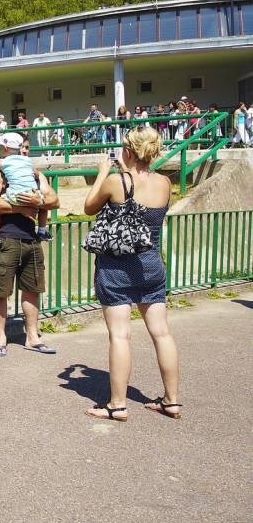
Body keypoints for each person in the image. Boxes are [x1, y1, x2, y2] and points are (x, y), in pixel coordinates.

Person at [83, 127, 180, 422]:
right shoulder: (165, 183)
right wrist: (127, 169)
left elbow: (89, 207)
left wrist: (102, 172)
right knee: (161, 333)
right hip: (151, 265)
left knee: (120, 336)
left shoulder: (115, 181)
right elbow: (139, 202)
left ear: (128, 150)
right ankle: (172, 401)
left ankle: (117, 404)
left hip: (117, 269)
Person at [0, 146, 59, 357]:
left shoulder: (36, 174)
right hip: (6, 238)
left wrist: (39, 201)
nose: (23, 152)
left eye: (26, 149)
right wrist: (20, 208)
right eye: (20, 149)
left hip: (31, 240)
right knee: (0, 291)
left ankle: (32, 337)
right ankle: (0, 338)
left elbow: (54, 200)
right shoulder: (0, 173)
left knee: (32, 288)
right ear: (9, 151)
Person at [0, 132, 52, 252]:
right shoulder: (28, 163)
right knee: (43, 204)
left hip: (15, 196)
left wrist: (0, 167)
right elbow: (36, 174)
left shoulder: (4, 163)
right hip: (31, 193)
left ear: (4, 148)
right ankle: (42, 230)